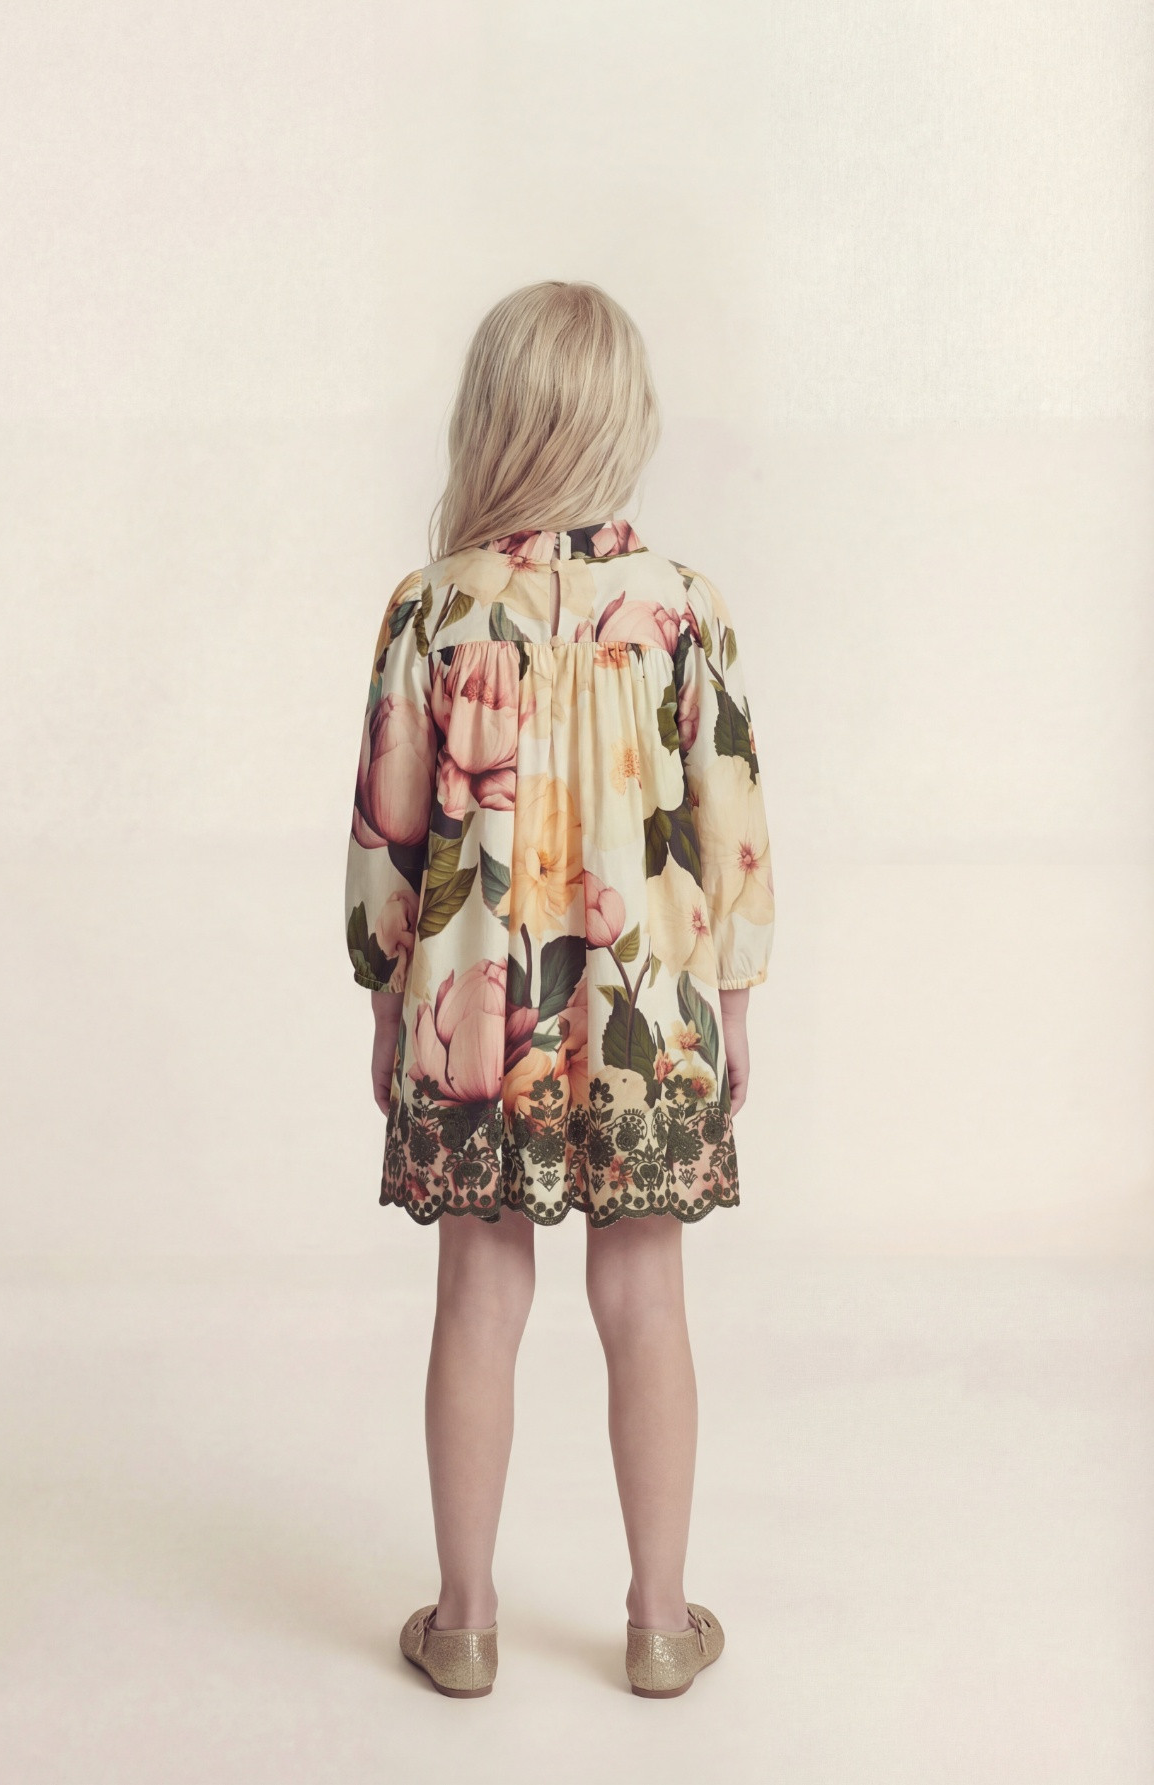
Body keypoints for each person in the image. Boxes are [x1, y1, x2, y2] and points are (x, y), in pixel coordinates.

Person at [343, 280, 775, 1698]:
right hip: (651, 1010)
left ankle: (465, 1621)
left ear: (497, 419)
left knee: (480, 1286)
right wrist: (735, 1002)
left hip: (478, 1016)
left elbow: (389, 832)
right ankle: (659, 1621)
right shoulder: (684, 610)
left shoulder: (432, 609)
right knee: (644, 1291)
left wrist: (387, 1000)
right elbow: (731, 825)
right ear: (619, 421)